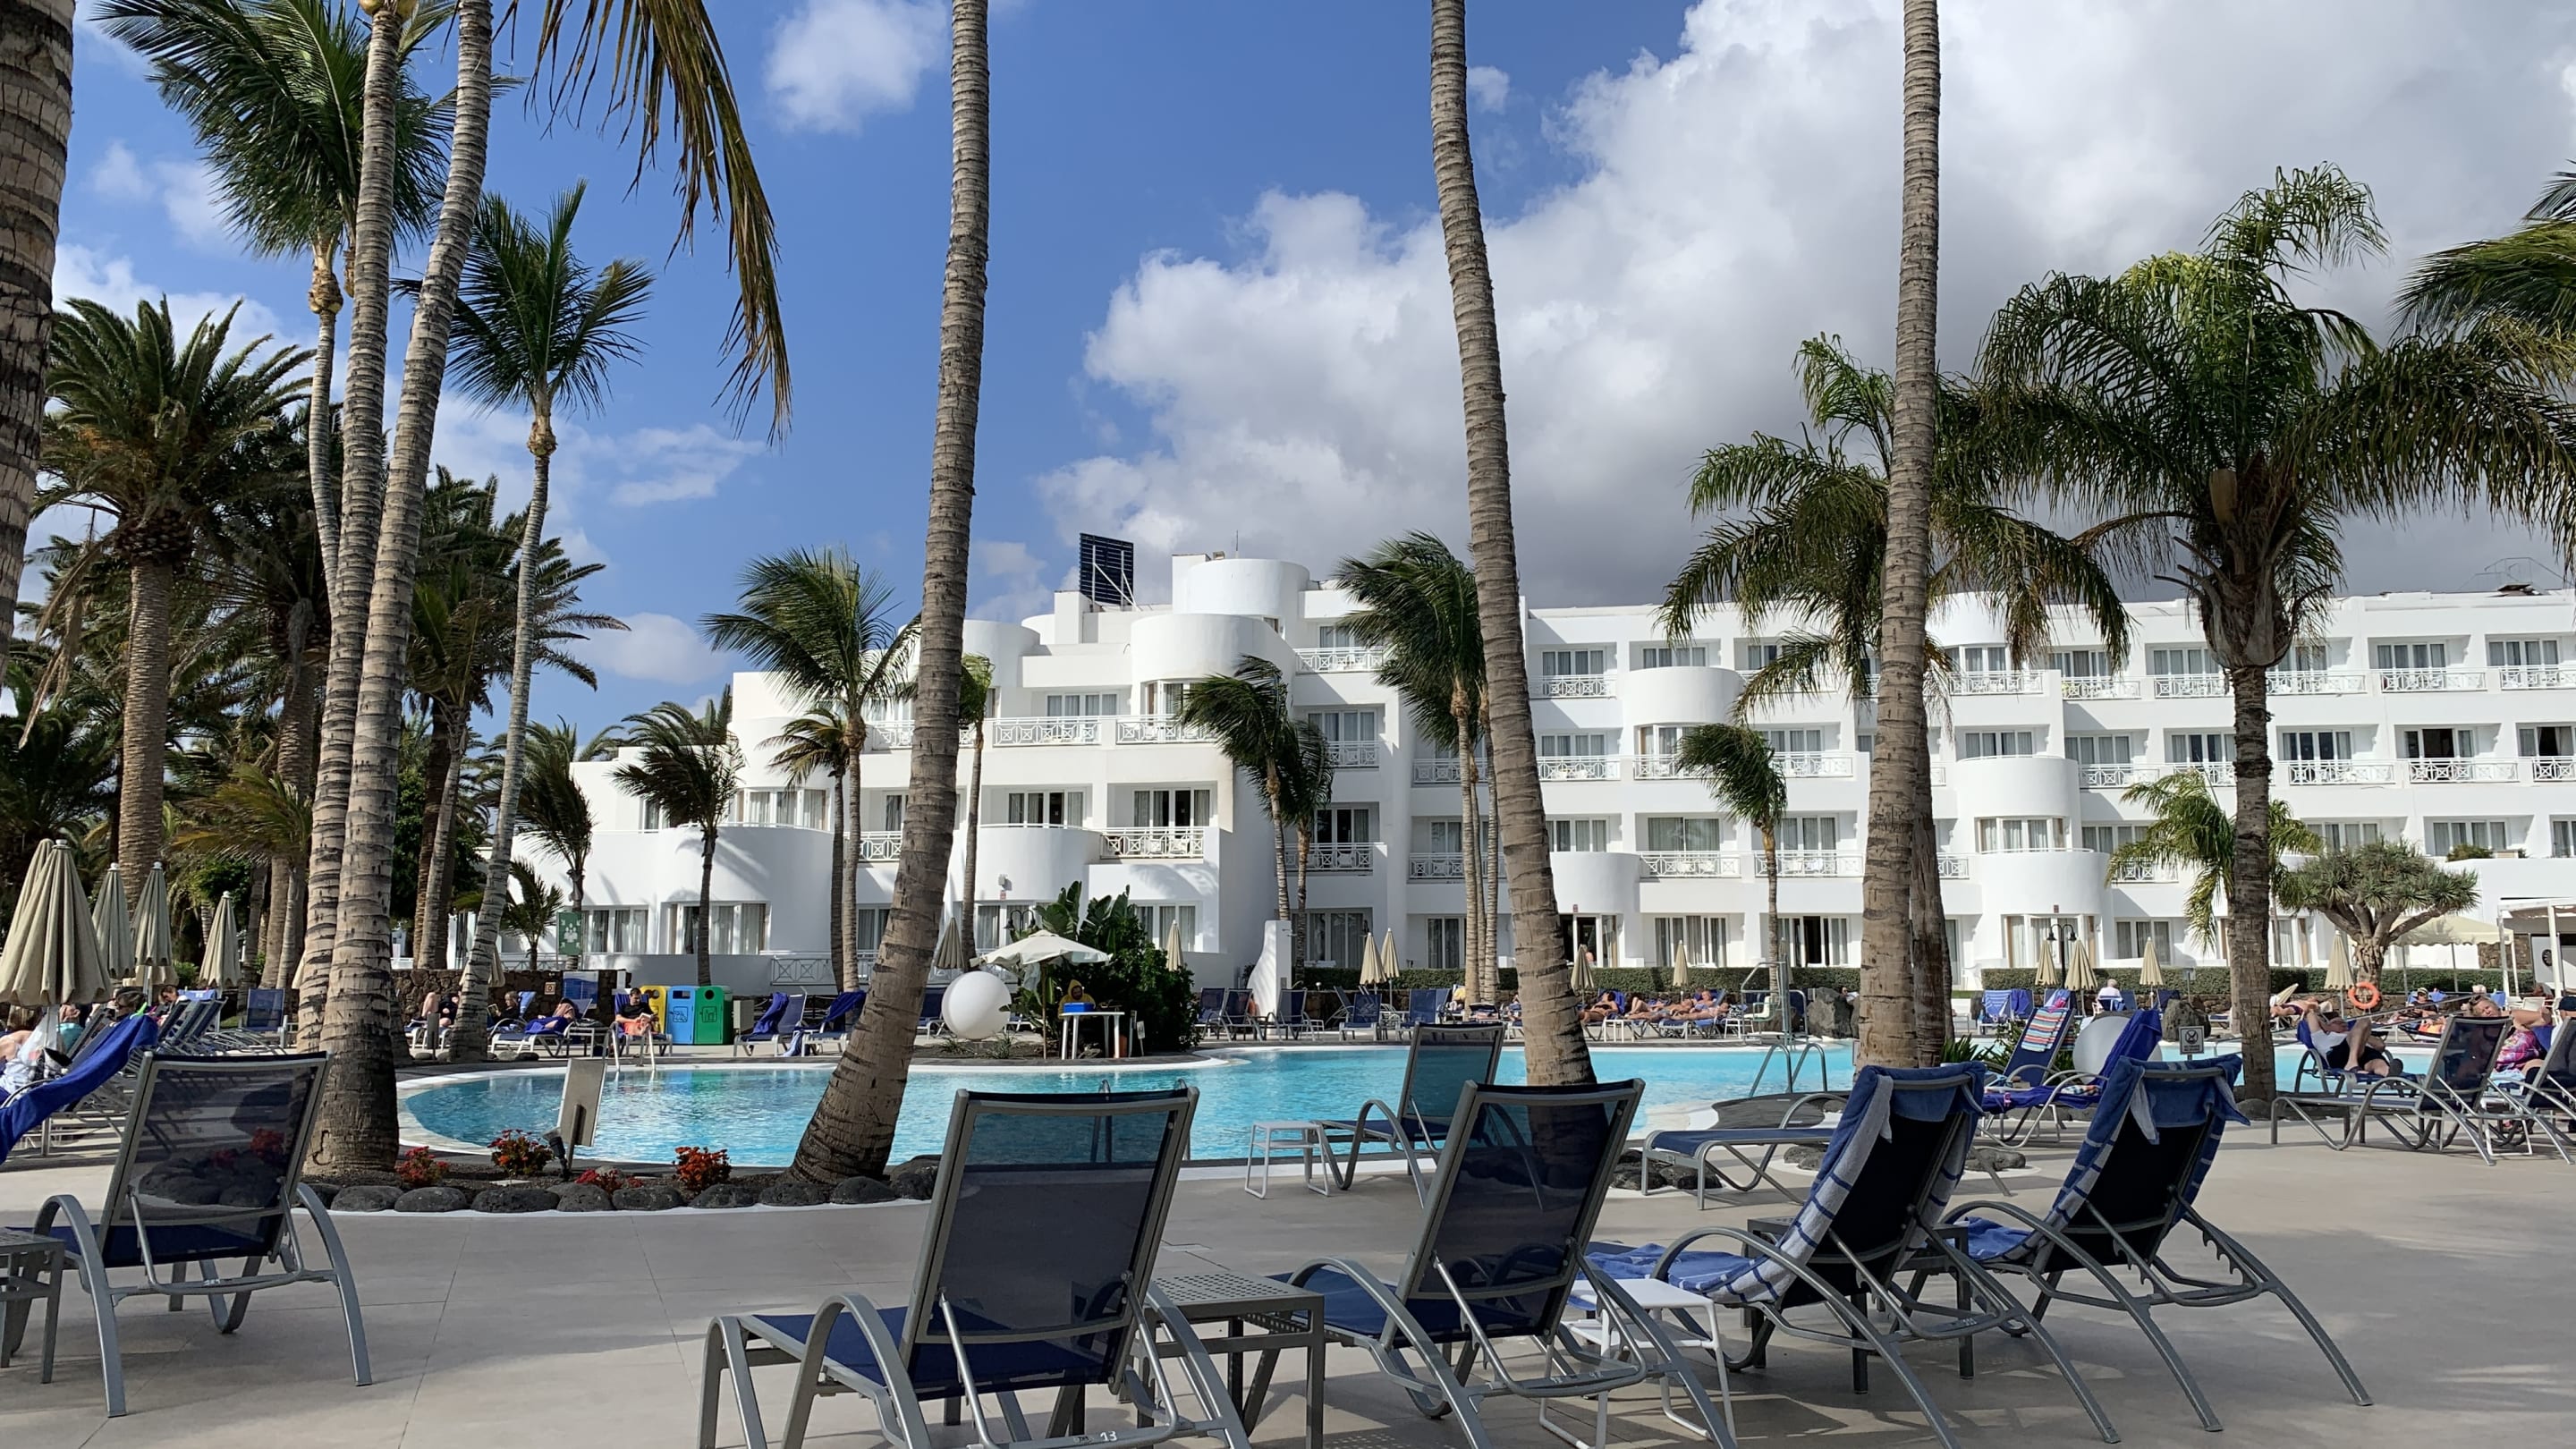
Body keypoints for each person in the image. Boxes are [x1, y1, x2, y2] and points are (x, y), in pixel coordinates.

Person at [2303, 1000, 2394, 1077]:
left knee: (2378, 1063)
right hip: (2338, 1054)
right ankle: (2351, 1063)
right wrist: (2329, 1028)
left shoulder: (2353, 1036)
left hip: (2362, 1055)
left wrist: (2358, 1034)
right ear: (2329, 1025)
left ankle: (2388, 1074)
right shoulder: (2322, 1036)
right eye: (2338, 1023)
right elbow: (2311, 1016)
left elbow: (2380, 1045)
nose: (2343, 1024)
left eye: (2344, 1023)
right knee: (2364, 1021)